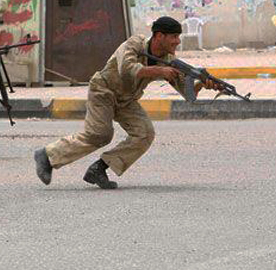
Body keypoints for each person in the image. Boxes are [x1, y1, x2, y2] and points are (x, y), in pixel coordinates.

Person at [33, 16, 222, 189]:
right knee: (100, 135)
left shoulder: (169, 61)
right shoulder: (135, 44)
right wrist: (159, 71)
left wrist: (203, 85)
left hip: (127, 100)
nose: (178, 41)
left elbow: (187, 93)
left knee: (144, 134)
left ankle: (99, 169)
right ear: (159, 36)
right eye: (174, 36)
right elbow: (127, 68)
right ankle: (47, 156)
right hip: (104, 90)